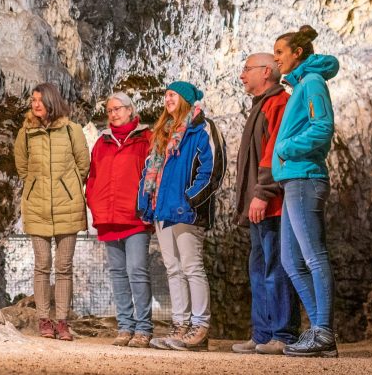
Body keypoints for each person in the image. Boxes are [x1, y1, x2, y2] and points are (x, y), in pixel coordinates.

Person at [137, 81, 225, 351]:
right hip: (163, 210)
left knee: (191, 266)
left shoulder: (201, 128)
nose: (167, 98)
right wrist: (146, 203)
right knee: (173, 269)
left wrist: (191, 199)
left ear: (186, 98)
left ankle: (199, 326)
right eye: (165, 94)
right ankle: (180, 324)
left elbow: (212, 168)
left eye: (173, 94)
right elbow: (150, 171)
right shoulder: (163, 132)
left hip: (187, 210)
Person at [271, 25, 339, 358]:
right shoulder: (301, 85)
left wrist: (285, 147)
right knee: (291, 260)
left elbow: (322, 128)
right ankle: (319, 330)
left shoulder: (312, 82)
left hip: (305, 178)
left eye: (280, 52)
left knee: (313, 256)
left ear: (298, 52)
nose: (276, 59)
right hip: (294, 180)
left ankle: (323, 330)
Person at [231, 53, 300, 355]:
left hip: (271, 204)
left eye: (247, 69)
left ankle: (283, 333)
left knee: (276, 267)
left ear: (267, 72)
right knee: (258, 268)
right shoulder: (260, 106)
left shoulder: (279, 104)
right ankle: (262, 332)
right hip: (257, 205)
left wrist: (263, 191)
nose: (242, 75)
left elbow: (274, 152)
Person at [13, 82, 91, 341]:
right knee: (42, 265)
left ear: (52, 102)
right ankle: (44, 319)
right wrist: (36, 187)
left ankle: (62, 321)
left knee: (64, 266)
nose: (35, 104)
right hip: (37, 206)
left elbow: (83, 165)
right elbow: (22, 167)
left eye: (40, 100)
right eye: (33, 100)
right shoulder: (26, 133)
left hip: (67, 206)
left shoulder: (72, 130)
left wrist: (65, 188)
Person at [86, 92, 154, 348]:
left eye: (118, 109)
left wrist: (147, 206)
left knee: (137, 270)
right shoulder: (102, 143)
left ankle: (144, 328)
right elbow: (93, 177)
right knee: (117, 274)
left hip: (134, 216)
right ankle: (125, 326)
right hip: (109, 216)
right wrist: (94, 202)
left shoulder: (146, 139)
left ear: (130, 110)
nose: (113, 113)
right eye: (109, 110)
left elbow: (153, 174)